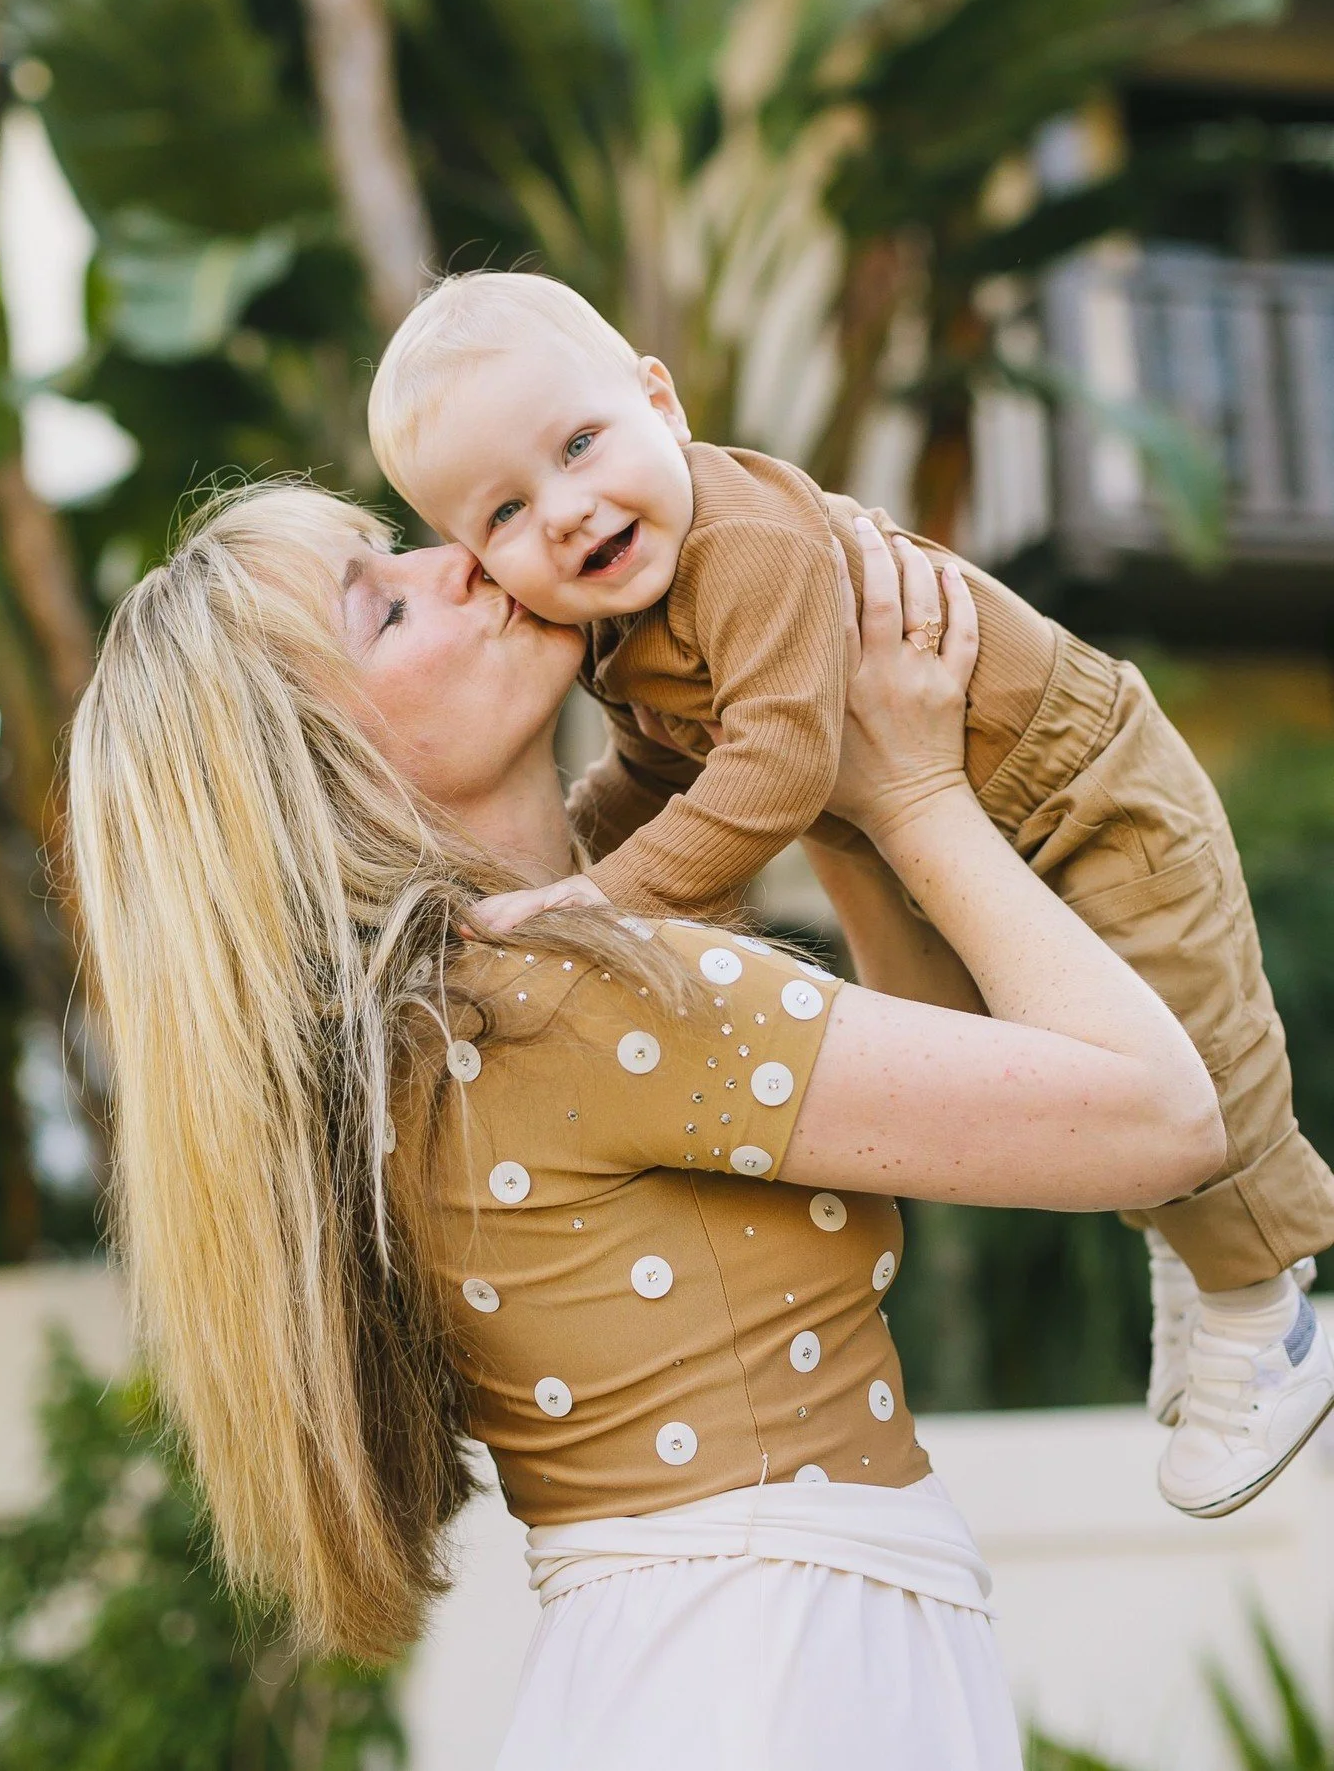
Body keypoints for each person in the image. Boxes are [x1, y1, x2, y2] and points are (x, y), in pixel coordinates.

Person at [69, 479, 1225, 1768]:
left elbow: (963, 1105)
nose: (456, 563)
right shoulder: (570, 998)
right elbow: (1161, 1118)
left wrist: (823, 781)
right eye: (381, 610)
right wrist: (913, 798)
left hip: (677, 1668)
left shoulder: (441, 1037)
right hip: (777, 1674)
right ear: (320, 774)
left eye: (399, 548)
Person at [365, 269, 1334, 1519]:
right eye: (504, 512)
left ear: (660, 399)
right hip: (977, 813)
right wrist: (566, 872)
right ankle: (1194, 1254)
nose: (564, 512)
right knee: (1078, 1050)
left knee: (1198, 1031)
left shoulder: (745, 549)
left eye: (582, 443)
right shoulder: (619, 615)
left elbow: (775, 768)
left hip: (1087, 786)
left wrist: (599, 902)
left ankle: (1266, 1314)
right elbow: (657, 773)